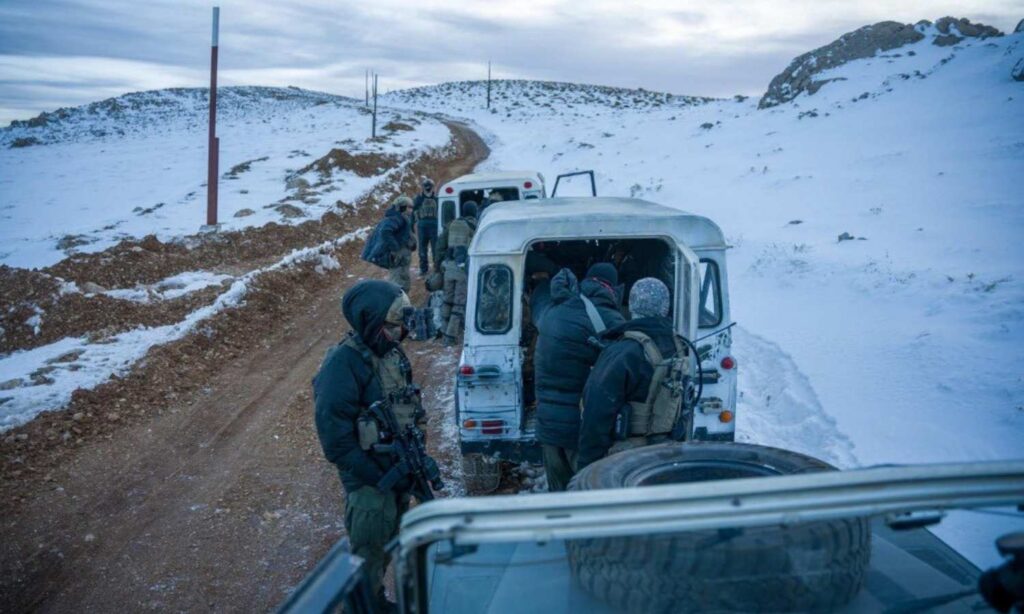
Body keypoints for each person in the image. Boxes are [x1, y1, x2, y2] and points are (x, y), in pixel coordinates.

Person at [312, 280, 424, 610]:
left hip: (397, 471)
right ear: (370, 323)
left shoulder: (391, 355)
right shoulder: (341, 365)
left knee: (387, 543)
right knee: (368, 552)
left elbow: (412, 406)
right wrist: (381, 476)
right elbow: (336, 444)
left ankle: (374, 600)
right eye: (393, 327)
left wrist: (418, 459)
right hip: (369, 485)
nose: (400, 334)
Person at [576, 277, 691, 471]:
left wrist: (587, 465)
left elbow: (596, 411)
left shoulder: (624, 351)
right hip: (666, 453)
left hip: (626, 458)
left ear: (631, 305)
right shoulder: (679, 345)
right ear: (665, 307)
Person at [531, 263, 625, 491]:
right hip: (581, 429)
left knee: (559, 495)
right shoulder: (610, 320)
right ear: (612, 288)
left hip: (548, 425)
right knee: (586, 494)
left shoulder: (553, 311)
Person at [435, 201, 479, 346]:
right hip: (461, 268)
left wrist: (438, 266)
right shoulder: (475, 225)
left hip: (449, 266)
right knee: (459, 304)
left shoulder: (453, 224)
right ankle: (450, 337)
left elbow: (441, 244)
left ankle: (443, 329)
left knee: (448, 300)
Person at [361, 196, 415, 292]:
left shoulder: (401, 217)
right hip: (398, 258)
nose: (411, 210)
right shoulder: (396, 218)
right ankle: (398, 304)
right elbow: (385, 232)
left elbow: (404, 234)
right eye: (409, 207)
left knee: (402, 280)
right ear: (401, 207)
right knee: (398, 283)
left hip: (402, 257)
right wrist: (396, 249)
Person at [412, 179, 439, 275]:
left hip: (433, 226)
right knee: (423, 249)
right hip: (423, 226)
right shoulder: (418, 199)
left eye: (429, 186)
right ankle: (424, 269)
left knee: (435, 248)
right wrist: (411, 225)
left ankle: (436, 268)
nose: (428, 188)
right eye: (426, 186)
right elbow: (412, 212)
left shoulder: (437, 198)